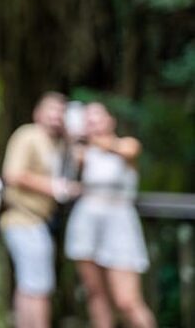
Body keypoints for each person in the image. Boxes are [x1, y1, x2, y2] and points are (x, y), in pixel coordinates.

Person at [65, 102, 155, 328]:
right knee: (96, 295)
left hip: (119, 223)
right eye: (88, 119)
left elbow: (128, 151)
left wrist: (88, 139)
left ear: (111, 120)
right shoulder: (82, 153)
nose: (93, 123)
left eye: (97, 117)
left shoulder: (126, 145)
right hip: (86, 221)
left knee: (127, 301)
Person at [0, 92, 81, 328]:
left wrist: (72, 137)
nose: (56, 116)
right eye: (51, 110)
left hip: (37, 222)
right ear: (38, 113)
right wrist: (54, 187)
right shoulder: (28, 134)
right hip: (22, 219)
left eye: (61, 112)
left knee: (31, 286)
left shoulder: (59, 145)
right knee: (38, 289)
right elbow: (12, 175)